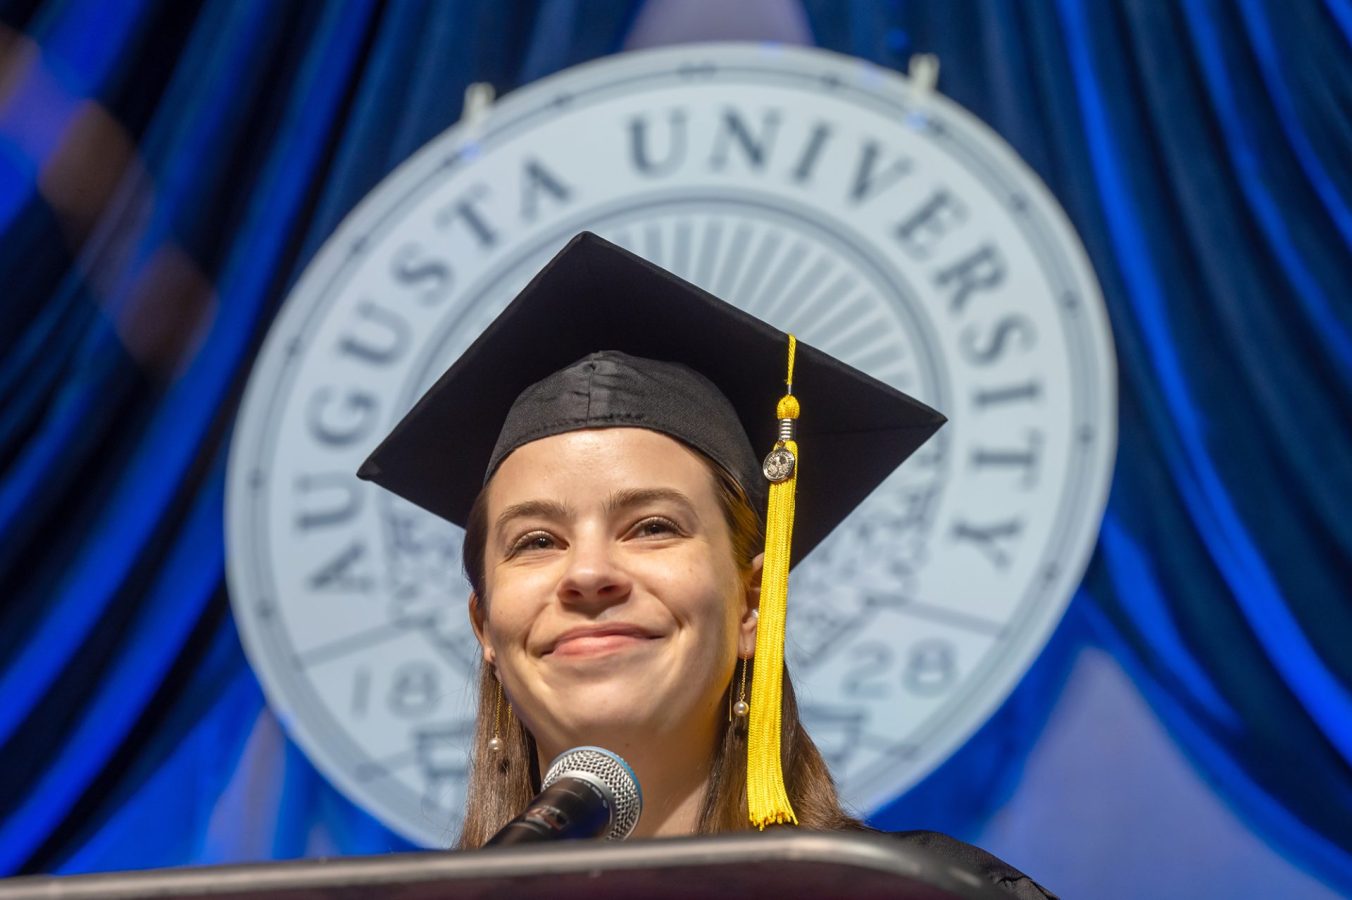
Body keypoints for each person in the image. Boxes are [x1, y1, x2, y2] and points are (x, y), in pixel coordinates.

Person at [358, 233, 1057, 899]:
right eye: (537, 540)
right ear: (485, 627)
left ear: (754, 602)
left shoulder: (925, 897)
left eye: (652, 527)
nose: (589, 572)